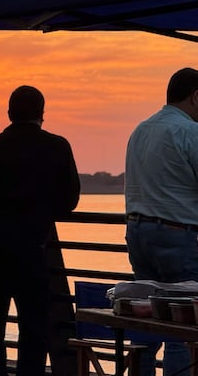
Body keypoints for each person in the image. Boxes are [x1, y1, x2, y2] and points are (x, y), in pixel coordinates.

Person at [0, 86, 80, 376]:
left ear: (10, 114)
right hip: (32, 248)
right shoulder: (57, 146)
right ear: (42, 114)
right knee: (34, 327)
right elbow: (70, 200)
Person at [125, 68, 198, 376]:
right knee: (183, 327)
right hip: (177, 235)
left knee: (146, 320)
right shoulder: (190, 132)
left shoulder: (141, 129)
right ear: (196, 97)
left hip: (138, 232)